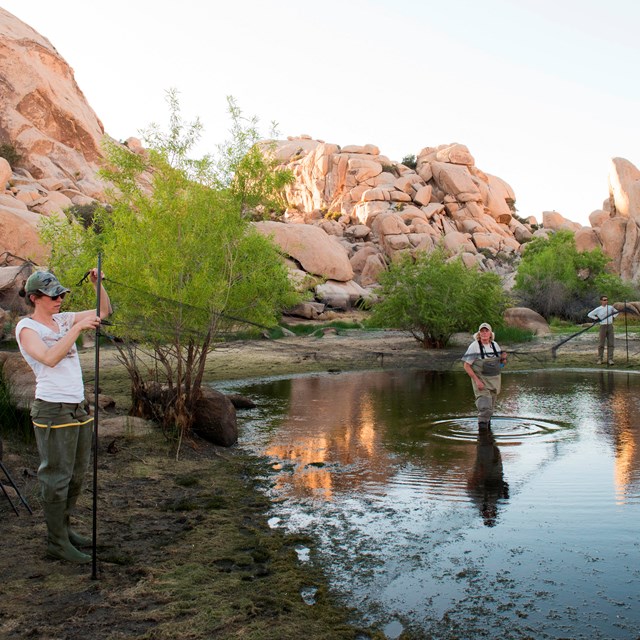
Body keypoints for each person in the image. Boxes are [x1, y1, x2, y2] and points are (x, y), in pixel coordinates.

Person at [16, 269, 112, 564]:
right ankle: (55, 542)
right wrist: (77, 329)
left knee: (75, 475)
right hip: (52, 409)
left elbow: (103, 311)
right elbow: (49, 358)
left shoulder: (61, 318)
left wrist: (98, 285)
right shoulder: (27, 328)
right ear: (35, 298)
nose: (60, 299)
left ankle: (66, 530)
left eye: (61, 294)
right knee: (56, 477)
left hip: (77, 406)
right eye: (53, 295)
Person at [462, 322, 507, 429]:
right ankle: (482, 439)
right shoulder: (474, 346)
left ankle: (488, 439)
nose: (484, 333)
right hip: (481, 383)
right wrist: (477, 381)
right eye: (482, 331)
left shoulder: (495, 345)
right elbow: (466, 366)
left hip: (494, 384)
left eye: (486, 331)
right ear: (479, 333)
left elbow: (499, 366)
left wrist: (504, 360)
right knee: (484, 409)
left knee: (489, 411)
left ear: (490, 333)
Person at [587, 296, 618, 365]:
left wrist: (613, 317)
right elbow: (589, 314)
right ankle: (600, 359)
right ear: (601, 301)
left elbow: (616, 312)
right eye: (604, 300)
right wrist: (596, 318)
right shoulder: (598, 309)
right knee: (601, 344)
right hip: (602, 326)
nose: (606, 301)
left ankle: (610, 359)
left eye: (607, 300)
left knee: (611, 343)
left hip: (610, 326)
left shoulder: (610, 307)